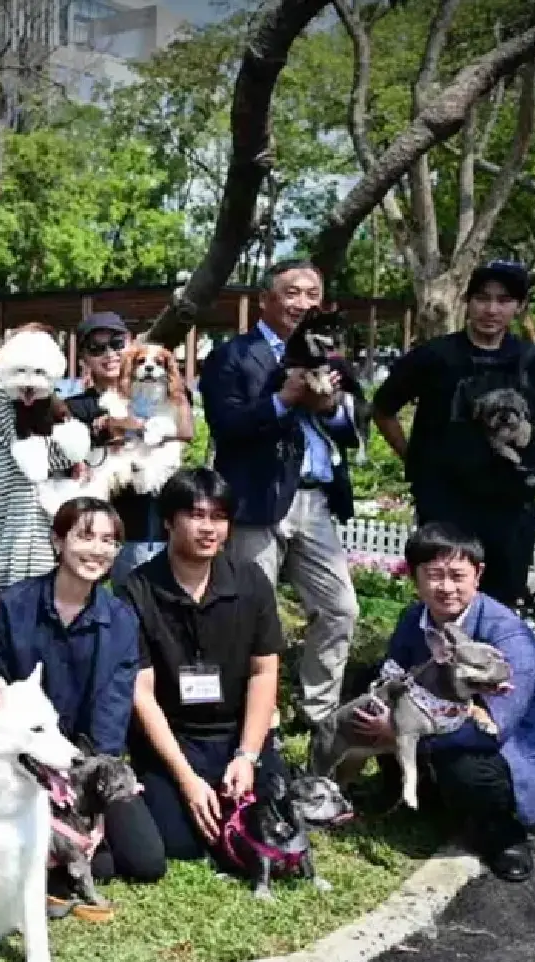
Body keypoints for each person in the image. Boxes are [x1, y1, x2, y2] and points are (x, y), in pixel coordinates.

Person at [348, 523, 535, 882]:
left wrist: (399, 734)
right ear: (415, 577)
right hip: (439, 716)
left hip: (510, 748)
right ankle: (401, 791)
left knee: (469, 765)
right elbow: (391, 677)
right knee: (364, 689)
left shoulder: (509, 635)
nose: (447, 588)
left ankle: (502, 835)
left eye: (457, 575)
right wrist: (385, 714)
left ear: (478, 575)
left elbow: (493, 733)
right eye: (434, 575)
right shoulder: (414, 618)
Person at [200, 259, 361, 763]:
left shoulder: (330, 352)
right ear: (267, 300)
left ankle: (319, 713)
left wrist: (329, 408)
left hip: (315, 500)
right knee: (250, 611)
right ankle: (255, 715)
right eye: (292, 293)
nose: (303, 303)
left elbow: (356, 427)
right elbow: (226, 426)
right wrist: (284, 398)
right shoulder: (234, 355)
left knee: (340, 608)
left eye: (312, 294)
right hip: (256, 502)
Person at [0, 497, 167, 885]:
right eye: (85, 536)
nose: (97, 550)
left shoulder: (120, 620)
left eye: (108, 541)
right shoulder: (12, 607)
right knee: (91, 865)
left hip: (87, 768)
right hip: (23, 764)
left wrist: (80, 792)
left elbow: (111, 720)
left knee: (146, 861)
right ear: (58, 540)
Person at [121, 470, 292, 861]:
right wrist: (187, 780)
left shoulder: (250, 582)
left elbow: (264, 673)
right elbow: (141, 694)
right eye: (196, 515)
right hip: (174, 737)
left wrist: (247, 755)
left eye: (219, 517)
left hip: (237, 733)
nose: (208, 528)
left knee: (270, 823)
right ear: (168, 520)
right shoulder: (137, 589)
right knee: (181, 843)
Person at [371, 260, 535, 609]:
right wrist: (414, 459)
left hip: (509, 505)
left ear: (517, 307)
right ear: (467, 301)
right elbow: (382, 409)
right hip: (446, 502)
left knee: (501, 605)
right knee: (444, 598)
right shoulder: (434, 356)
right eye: (482, 298)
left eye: (503, 300)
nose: (491, 309)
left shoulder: (532, 360)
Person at [60, 311, 197, 583]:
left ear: (130, 345)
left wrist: (137, 425)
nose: (109, 354)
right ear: (84, 358)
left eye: (116, 344)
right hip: (95, 527)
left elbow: (185, 433)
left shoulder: (167, 393)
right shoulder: (76, 406)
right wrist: (113, 426)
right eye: (96, 349)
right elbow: (69, 454)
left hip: (148, 526)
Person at [0, 321, 62, 593]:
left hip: (23, 516)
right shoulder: (1, 400)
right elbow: (38, 459)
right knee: (26, 600)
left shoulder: (39, 401)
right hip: (20, 519)